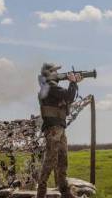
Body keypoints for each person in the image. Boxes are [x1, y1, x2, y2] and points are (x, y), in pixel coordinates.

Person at [36, 63, 82, 198]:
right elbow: (69, 96)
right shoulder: (49, 86)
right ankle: (41, 194)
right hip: (54, 129)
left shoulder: (50, 87)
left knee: (63, 160)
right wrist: (72, 82)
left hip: (59, 128)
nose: (57, 74)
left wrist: (74, 83)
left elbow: (67, 99)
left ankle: (65, 191)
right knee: (50, 161)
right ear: (48, 73)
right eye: (55, 71)